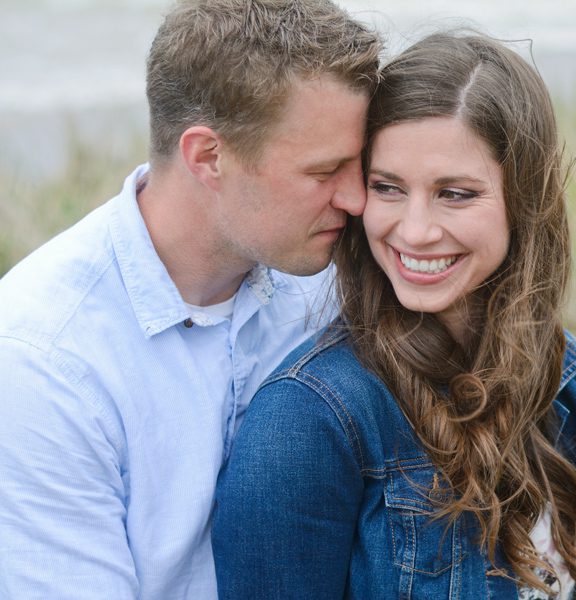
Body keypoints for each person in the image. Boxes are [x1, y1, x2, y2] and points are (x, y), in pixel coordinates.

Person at [212, 31, 576, 599]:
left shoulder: (553, 361)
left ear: (526, 199)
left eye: (455, 194)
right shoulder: (308, 422)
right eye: (387, 188)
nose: (414, 230)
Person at [0, 1, 380, 597]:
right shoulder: (41, 363)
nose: (357, 199)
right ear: (208, 156)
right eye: (324, 170)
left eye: (360, 166)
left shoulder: (333, 269)